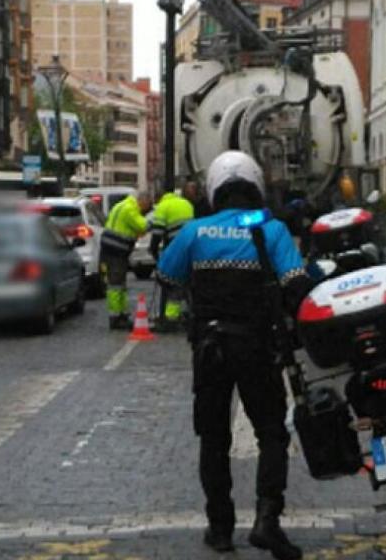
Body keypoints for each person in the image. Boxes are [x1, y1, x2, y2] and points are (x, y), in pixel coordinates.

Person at [156, 151, 310, 560]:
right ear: (256, 186)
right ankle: (267, 520)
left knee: (213, 438)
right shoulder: (269, 228)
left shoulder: (195, 230)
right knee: (272, 433)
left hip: (209, 349)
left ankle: (220, 528)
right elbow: (297, 283)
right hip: (258, 348)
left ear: (214, 188)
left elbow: (165, 276)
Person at [100, 192, 153, 330]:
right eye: (147, 206)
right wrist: (154, 219)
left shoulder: (121, 205)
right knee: (116, 284)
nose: (145, 210)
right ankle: (116, 317)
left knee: (119, 283)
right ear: (142, 201)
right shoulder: (130, 209)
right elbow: (143, 226)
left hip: (112, 249)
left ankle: (121, 314)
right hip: (116, 250)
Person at [149, 188, 195, 331]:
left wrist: (154, 251)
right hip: (191, 246)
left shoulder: (163, 207)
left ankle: (169, 318)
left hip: (175, 247)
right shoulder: (186, 204)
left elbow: (157, 233)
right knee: (188, 283)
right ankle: (191, 314)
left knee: (171, 281)